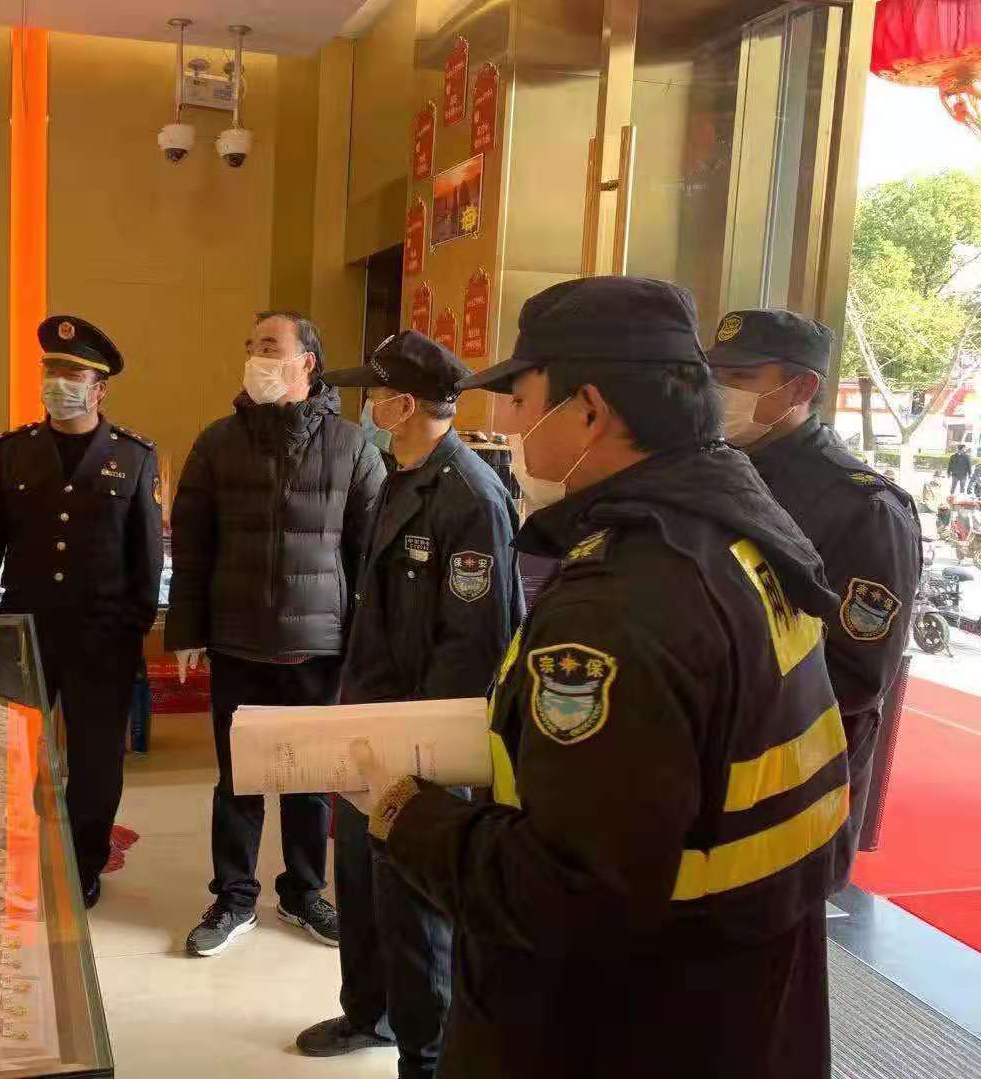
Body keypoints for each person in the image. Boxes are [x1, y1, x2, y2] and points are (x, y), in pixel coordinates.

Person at [349, 277, 848, 1079]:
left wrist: (404, 812)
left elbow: (567, 891)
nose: (509, 425)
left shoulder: (621, 601)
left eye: (521, 399)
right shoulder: (738, 535)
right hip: (737, 992)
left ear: (588, 411)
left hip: (622, 1023)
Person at [296, 331, 523, 1077]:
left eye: (377, 393)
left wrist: (416, 753)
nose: (367, 405)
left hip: (420, 738)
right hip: (371, 720)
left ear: (407, 403)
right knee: (362, 882)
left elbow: (475, 645)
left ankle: (425, 1056)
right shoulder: (401, 474)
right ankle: (370, 1013)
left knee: (415, 904)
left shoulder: (469, 496)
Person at [166, 310, 386, 957]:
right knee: (239, 778)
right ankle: (234, 897)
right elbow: (193, 547)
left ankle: (304, 892)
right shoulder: (218, 442)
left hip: (319, 644)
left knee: (310, 779)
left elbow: (369, 554)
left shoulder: (353, 448)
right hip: (238, 639)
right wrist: (186, 630)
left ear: (306, 361)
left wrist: (365, 642)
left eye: (270, 346)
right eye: (252, 346)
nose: (256, 357)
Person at [709, 309, 921, 864]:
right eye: (714, 374)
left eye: (741, 376)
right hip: (709, 778)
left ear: (801, 388)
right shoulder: (711, 474)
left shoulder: (864, 507)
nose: (720, 390)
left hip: (798, 792)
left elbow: (857, 674)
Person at [0, 314, 162, 909]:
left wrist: (134, 628)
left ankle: (83, 862)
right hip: (24, 628)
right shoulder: (12, 451)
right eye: (51, 369)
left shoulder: (133, 457)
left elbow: (146, 555)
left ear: (100, 389)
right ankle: (14, 852)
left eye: (73, 374)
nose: (58, 382)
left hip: (103, 634)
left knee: (97, 758)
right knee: (14, 753)